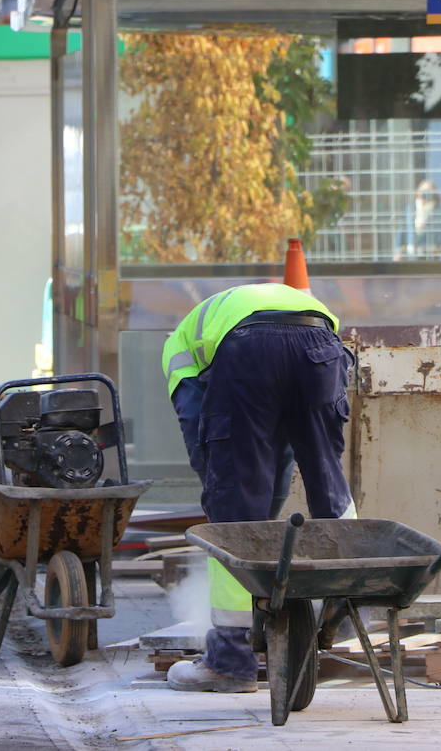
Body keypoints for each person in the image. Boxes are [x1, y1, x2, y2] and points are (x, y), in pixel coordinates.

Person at [160, 282, 351, 693]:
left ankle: (230, 661)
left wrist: (224, 492)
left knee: (232, 509)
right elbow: (281, 436)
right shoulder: (269, 303)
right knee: (327, 481)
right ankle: (346, 609)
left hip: (249, 347)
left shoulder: (177, 347)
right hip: (322, 340)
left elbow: (197, 425)